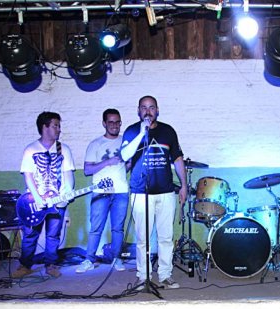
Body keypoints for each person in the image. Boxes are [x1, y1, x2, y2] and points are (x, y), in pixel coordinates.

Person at [120, 95, 188, 289]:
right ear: (138, 110)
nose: (147, 111)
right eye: (144, 107)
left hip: (165, 192)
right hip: (141, 193)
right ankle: (143, 276)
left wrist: (184, 185)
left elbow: (177, 159)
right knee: (143, 238)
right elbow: (124, 155)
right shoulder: (132, 131)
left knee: (166, 237)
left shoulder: (168, 131)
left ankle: (165, 274)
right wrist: (142, 133)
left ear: (157, 110)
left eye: (151, 107)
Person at [12, 111, 75, 279]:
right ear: (44, 127)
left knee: (53, 235)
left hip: (57, 201)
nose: (59, 129)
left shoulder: (64, 149)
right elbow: (28, 176)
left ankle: (51, 264)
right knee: (30, 235)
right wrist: (38, 198)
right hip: (34, 202)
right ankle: (25, 265)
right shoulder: (30, 149)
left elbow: (68, 174)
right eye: (55, 125)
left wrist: (67, 193)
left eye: (59, 126)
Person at [76, 108, 129, 273]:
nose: (114, 125)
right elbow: (87, 170)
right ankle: (89, 260)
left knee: (118, 228)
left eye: (117, 122)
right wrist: (108, 162)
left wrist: (121, 170)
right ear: (104, 123)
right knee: (96, 228)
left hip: (121, 192)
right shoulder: (95, 144)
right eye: (111, 122)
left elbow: (129, 164)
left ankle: (117, 258)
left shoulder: (125, 142)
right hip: (100, 192)